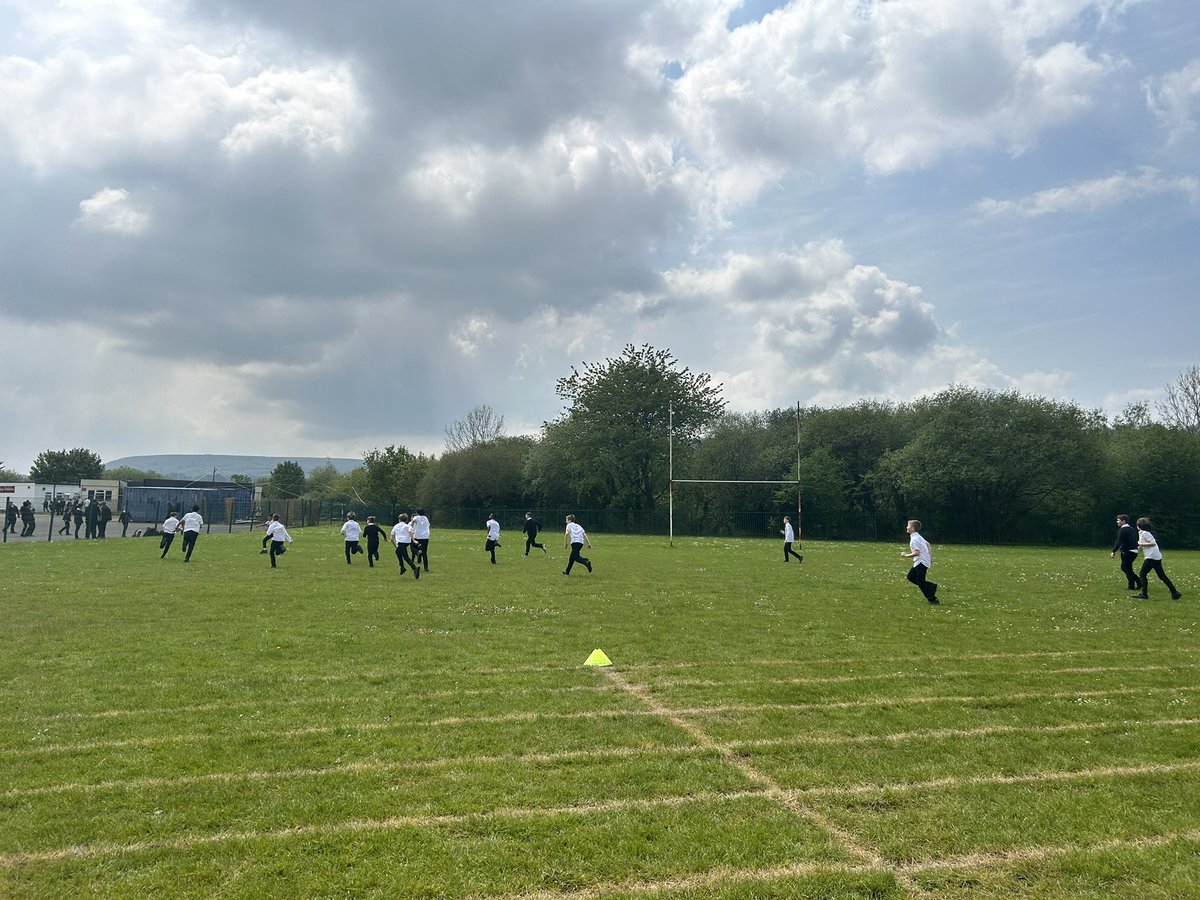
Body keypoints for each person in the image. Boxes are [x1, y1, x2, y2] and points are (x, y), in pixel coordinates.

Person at [1134, 517, 1182, 600]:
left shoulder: (1145, 533)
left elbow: (1152, 543)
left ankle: (1144, 594)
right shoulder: (1142, 533)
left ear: (1139, 526)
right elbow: (1147, 543)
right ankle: (1174, 593)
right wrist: (1141, 546)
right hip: (1155, 556)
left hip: (1151, 557)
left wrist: (1141, 543)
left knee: (1142, 574)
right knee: (1161, 575)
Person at [901, 519, 939, 604]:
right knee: (911, 577)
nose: (906, 527)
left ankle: (932, 599)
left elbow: (917, 553)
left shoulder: (914, 539)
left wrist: (905, 555)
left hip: (921, 562)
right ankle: (931, 586)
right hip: (922, 561)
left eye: (908, 526)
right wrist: (929, 557)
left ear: (912, 528)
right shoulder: (918, 536)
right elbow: (928, 544)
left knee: (920, 582)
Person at [1111, 514, 1140, 592]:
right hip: (1134, 551)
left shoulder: (1123, 530)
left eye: (1118, 520)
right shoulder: (1131, 529)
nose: (1117, 522)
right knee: (1128, 568)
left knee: (1125, 568)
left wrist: (1114, 550)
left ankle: (1133, 584)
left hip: (1127, 551)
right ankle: (1138, 582)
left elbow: (1119, 541)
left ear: (1123, 521)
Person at [389, 513, 420, 579]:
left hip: (400, 542)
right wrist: (413, 540)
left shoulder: (396, 526)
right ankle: (402, 567)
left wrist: (395, 545)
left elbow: (391, 538)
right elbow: (410, 532)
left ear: (399, 520)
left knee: (405, 557)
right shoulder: (408, 526)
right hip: (407, 542)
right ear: (406, 520)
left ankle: (415, 568)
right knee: (397, 552)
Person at [410, 508, 431, 572]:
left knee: (412, 547)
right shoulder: (426, 518)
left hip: (417, 535)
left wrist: (411, 528)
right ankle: (426, 568)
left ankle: (417, 553)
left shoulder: (415, 517)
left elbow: (412, 524)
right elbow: (428, 525)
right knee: (424, 552)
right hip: (425, 536)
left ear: (417, 512)